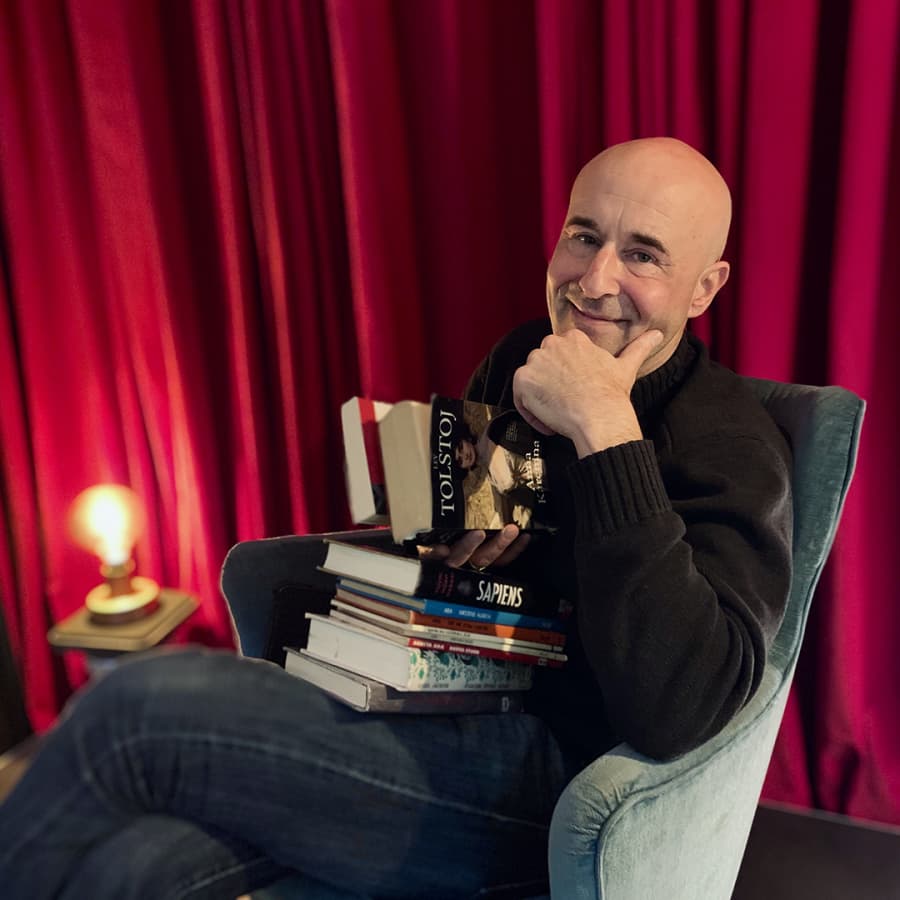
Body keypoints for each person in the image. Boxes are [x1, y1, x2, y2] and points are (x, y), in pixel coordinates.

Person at [0, 137, 792, 899]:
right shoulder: (526, 355)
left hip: (554, 787)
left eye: (643, 255)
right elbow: (457, 555)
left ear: (704, 288)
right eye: (583, 236)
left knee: (135, 707)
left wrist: (606, 431)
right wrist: (438, 531)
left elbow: (681, 710)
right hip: (432, 695)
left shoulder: (732, 445)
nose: (594, 278)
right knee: (133, 869)